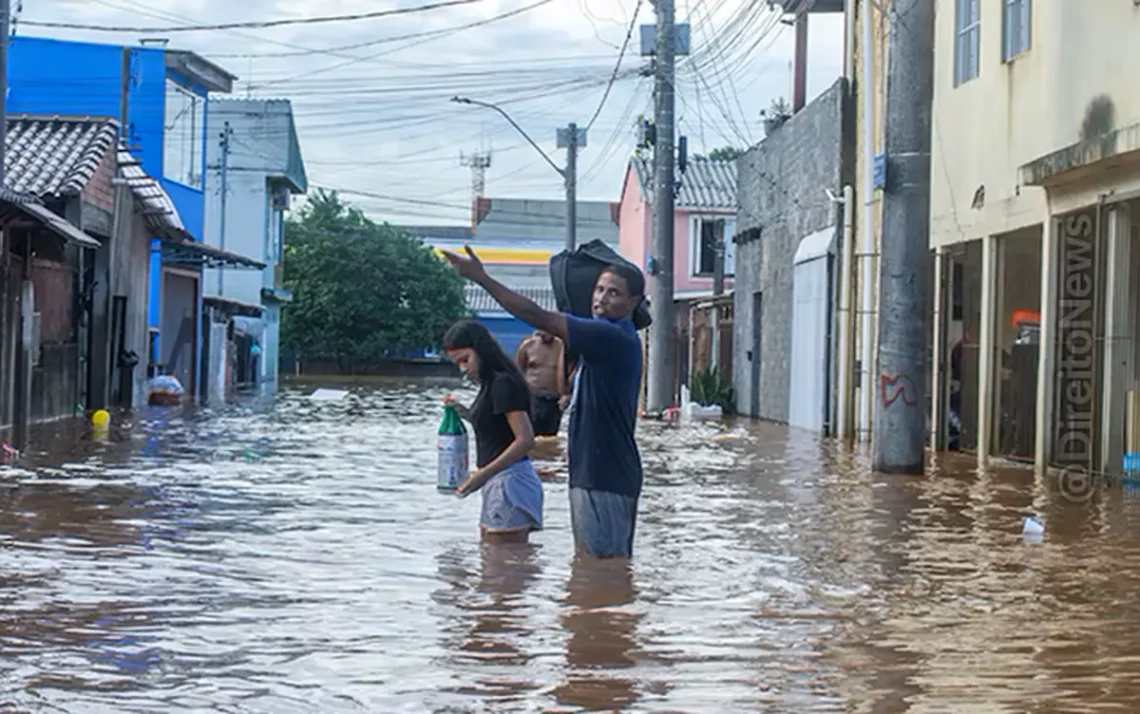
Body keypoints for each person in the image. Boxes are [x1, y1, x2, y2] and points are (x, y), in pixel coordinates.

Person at [442, 246, 644, 559]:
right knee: (595, 573)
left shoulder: (611, 336)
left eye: (614, 293)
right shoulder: (609, 341)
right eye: (599, 289)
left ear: (632, 302)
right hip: (596, 472)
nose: (601, 298)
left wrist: (482, 278)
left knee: (598, 566)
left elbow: (535, 315)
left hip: (605, 476)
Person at [442, 320, 544, 543]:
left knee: (503, 570)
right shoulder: (492, 384)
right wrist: (464, 413)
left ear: (481, 350)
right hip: (500, 480)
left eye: (465, 360)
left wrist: (482, 475)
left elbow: (525, 440)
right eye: (458, 363)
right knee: (496, 565)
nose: (463, 369)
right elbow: (496, 428)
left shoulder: (503, 384)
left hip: (509, 482)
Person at [515, 330, 567, 437]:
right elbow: (518, 372)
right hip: (533, 397)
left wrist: (566, 395)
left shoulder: (562, 347)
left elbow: (569, 372)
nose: (544, 333)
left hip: (553, 400)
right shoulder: (528, 345)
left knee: (550, 437)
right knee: (530, 435)